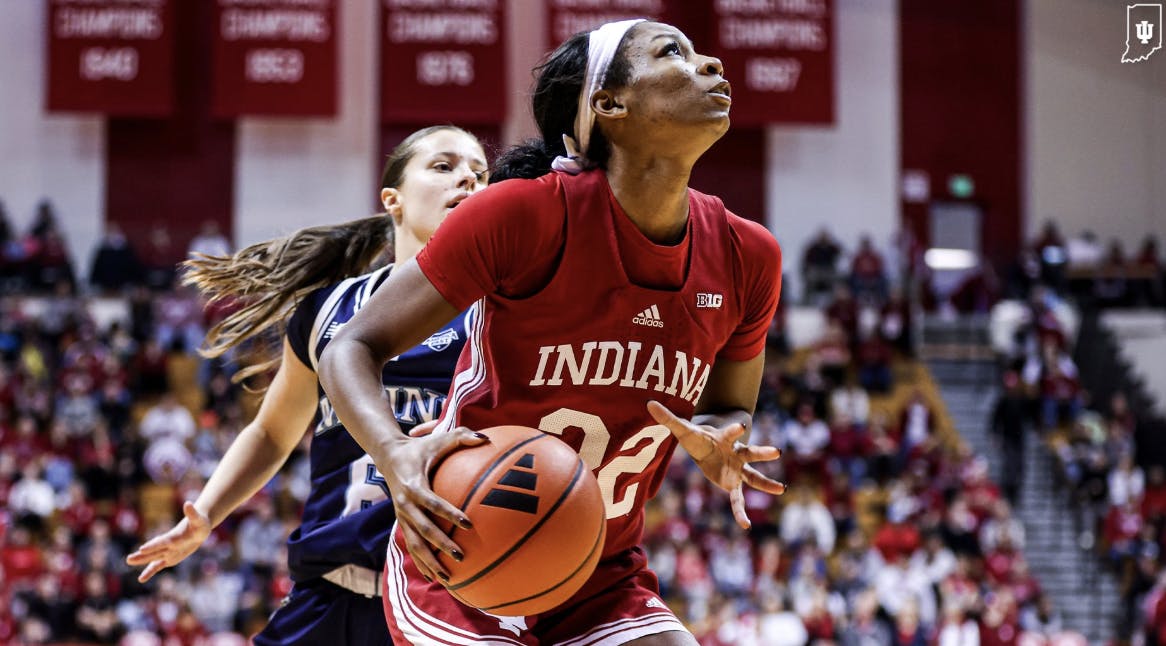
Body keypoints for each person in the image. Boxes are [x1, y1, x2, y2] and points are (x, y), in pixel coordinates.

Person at [318, 19, 785, 645]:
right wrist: (394, 452)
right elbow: (350, 346)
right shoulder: (524, 215)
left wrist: (715, 436)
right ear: (608, 104)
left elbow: (728, 405)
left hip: (601, 567)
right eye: (674, 52)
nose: (711, 64)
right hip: (462, 550)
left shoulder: (749, 256)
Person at [126, 125, 490, 645]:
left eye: (480, 174)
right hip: (327, 599)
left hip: (443, 605)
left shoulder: (502, 315)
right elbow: (273, 432)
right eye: (443, 167)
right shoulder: (330, 309)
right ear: (393, 200)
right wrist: (205, 514)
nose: (467, 181)